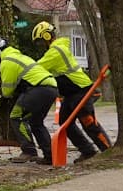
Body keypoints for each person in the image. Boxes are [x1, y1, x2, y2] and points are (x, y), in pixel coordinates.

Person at [32, 21, 112, 160]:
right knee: (65, 123)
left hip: (81, 90)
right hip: (71, 94)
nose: (40, 45)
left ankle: (108, 151)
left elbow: (36, 68)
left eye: (40, 41)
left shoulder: (55, 51)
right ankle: (87, 151)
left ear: (46, 36)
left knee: (88, 122)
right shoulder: (55, 49)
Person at [0, 36, 59, 165]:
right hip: (51, 88)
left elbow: (7, 91)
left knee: (16, 116)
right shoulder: (19, 56)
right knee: (36, 122)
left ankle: (28, 151)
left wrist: (2, 99)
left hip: (37, 89)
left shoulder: (7, 61)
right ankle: (50, 156)